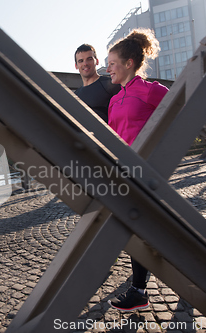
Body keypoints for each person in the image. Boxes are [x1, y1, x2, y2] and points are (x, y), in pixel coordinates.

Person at [105, 29, 169, 311]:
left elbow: (179, 112)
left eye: (112, 63)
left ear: (129, 63)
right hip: (122, 175)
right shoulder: (114, 99)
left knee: (140, 230)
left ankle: (139, 290)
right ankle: (140, 289)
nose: (107, 69)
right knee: (138, 231)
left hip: (146, 174)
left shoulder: (152, 90)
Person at [74, 44, 121, 123]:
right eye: (81, 61)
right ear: (76, 66)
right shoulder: (76, 96)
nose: (85, 63)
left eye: (89, 59)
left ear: (97, 61)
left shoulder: (111, 84)